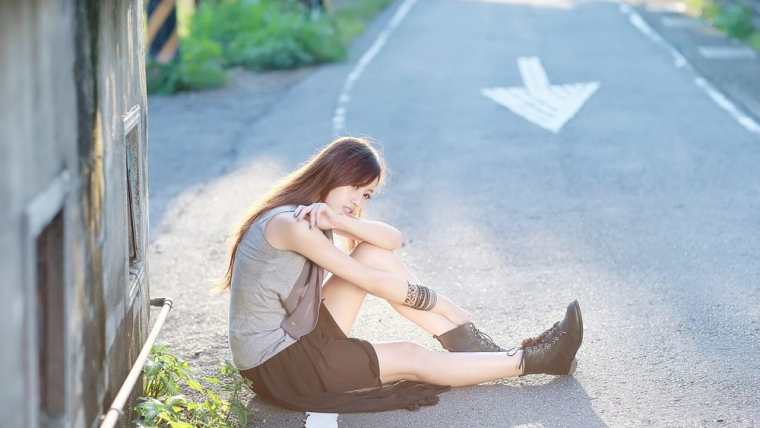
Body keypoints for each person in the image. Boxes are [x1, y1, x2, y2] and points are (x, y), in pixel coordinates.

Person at [217, 136, 583, 413]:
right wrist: (448, 305)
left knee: (374, 252)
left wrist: (340, 220)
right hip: (281, 362)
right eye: (357, 190)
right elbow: (370, 282)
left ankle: (467, 345)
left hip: (299, 332)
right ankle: (534, 359)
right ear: (333, 173)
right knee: (411, 356)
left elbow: (391, 241)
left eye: (368, 197)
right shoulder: (291, 224)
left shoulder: (313, 214)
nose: (359, 203)